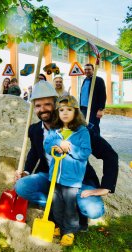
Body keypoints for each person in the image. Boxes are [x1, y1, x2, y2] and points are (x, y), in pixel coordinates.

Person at [14, 81, 119, 234]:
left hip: (78, 181)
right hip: (51, 178)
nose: (42, 109)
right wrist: (27, 172)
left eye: (47, 104)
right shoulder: (35, 129)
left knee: (94, 210)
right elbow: (34, 153)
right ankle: (59, 205)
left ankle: (71, 208)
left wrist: (106, 187)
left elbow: (110, 155)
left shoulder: (81, 130)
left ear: (56, 104)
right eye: (38, 105)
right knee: (22, 186)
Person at [44, 95, 91, 246]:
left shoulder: (82, 131)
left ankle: (70, 231)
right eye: (61, 110)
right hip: (55, 177)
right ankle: (58, 226)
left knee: (70, 207)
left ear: (76, 112)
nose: (65, 113)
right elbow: (47, 144)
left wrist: (68, 148)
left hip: (72, 179)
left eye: (69, 109)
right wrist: (57, 144)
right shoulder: (55, 130)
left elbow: (85, 152)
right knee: (56, 205)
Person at [79, 63, 106, 136]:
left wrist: (100, 109)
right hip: (83, 109)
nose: (87, 71)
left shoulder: (98, 80)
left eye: (89, 69)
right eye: (85, 69)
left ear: (93, 70)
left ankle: (97, 145)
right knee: (85, 128)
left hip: (93, 110)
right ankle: (89, 144)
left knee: (94, 128)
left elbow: (102, 95)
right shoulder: (85, 80)